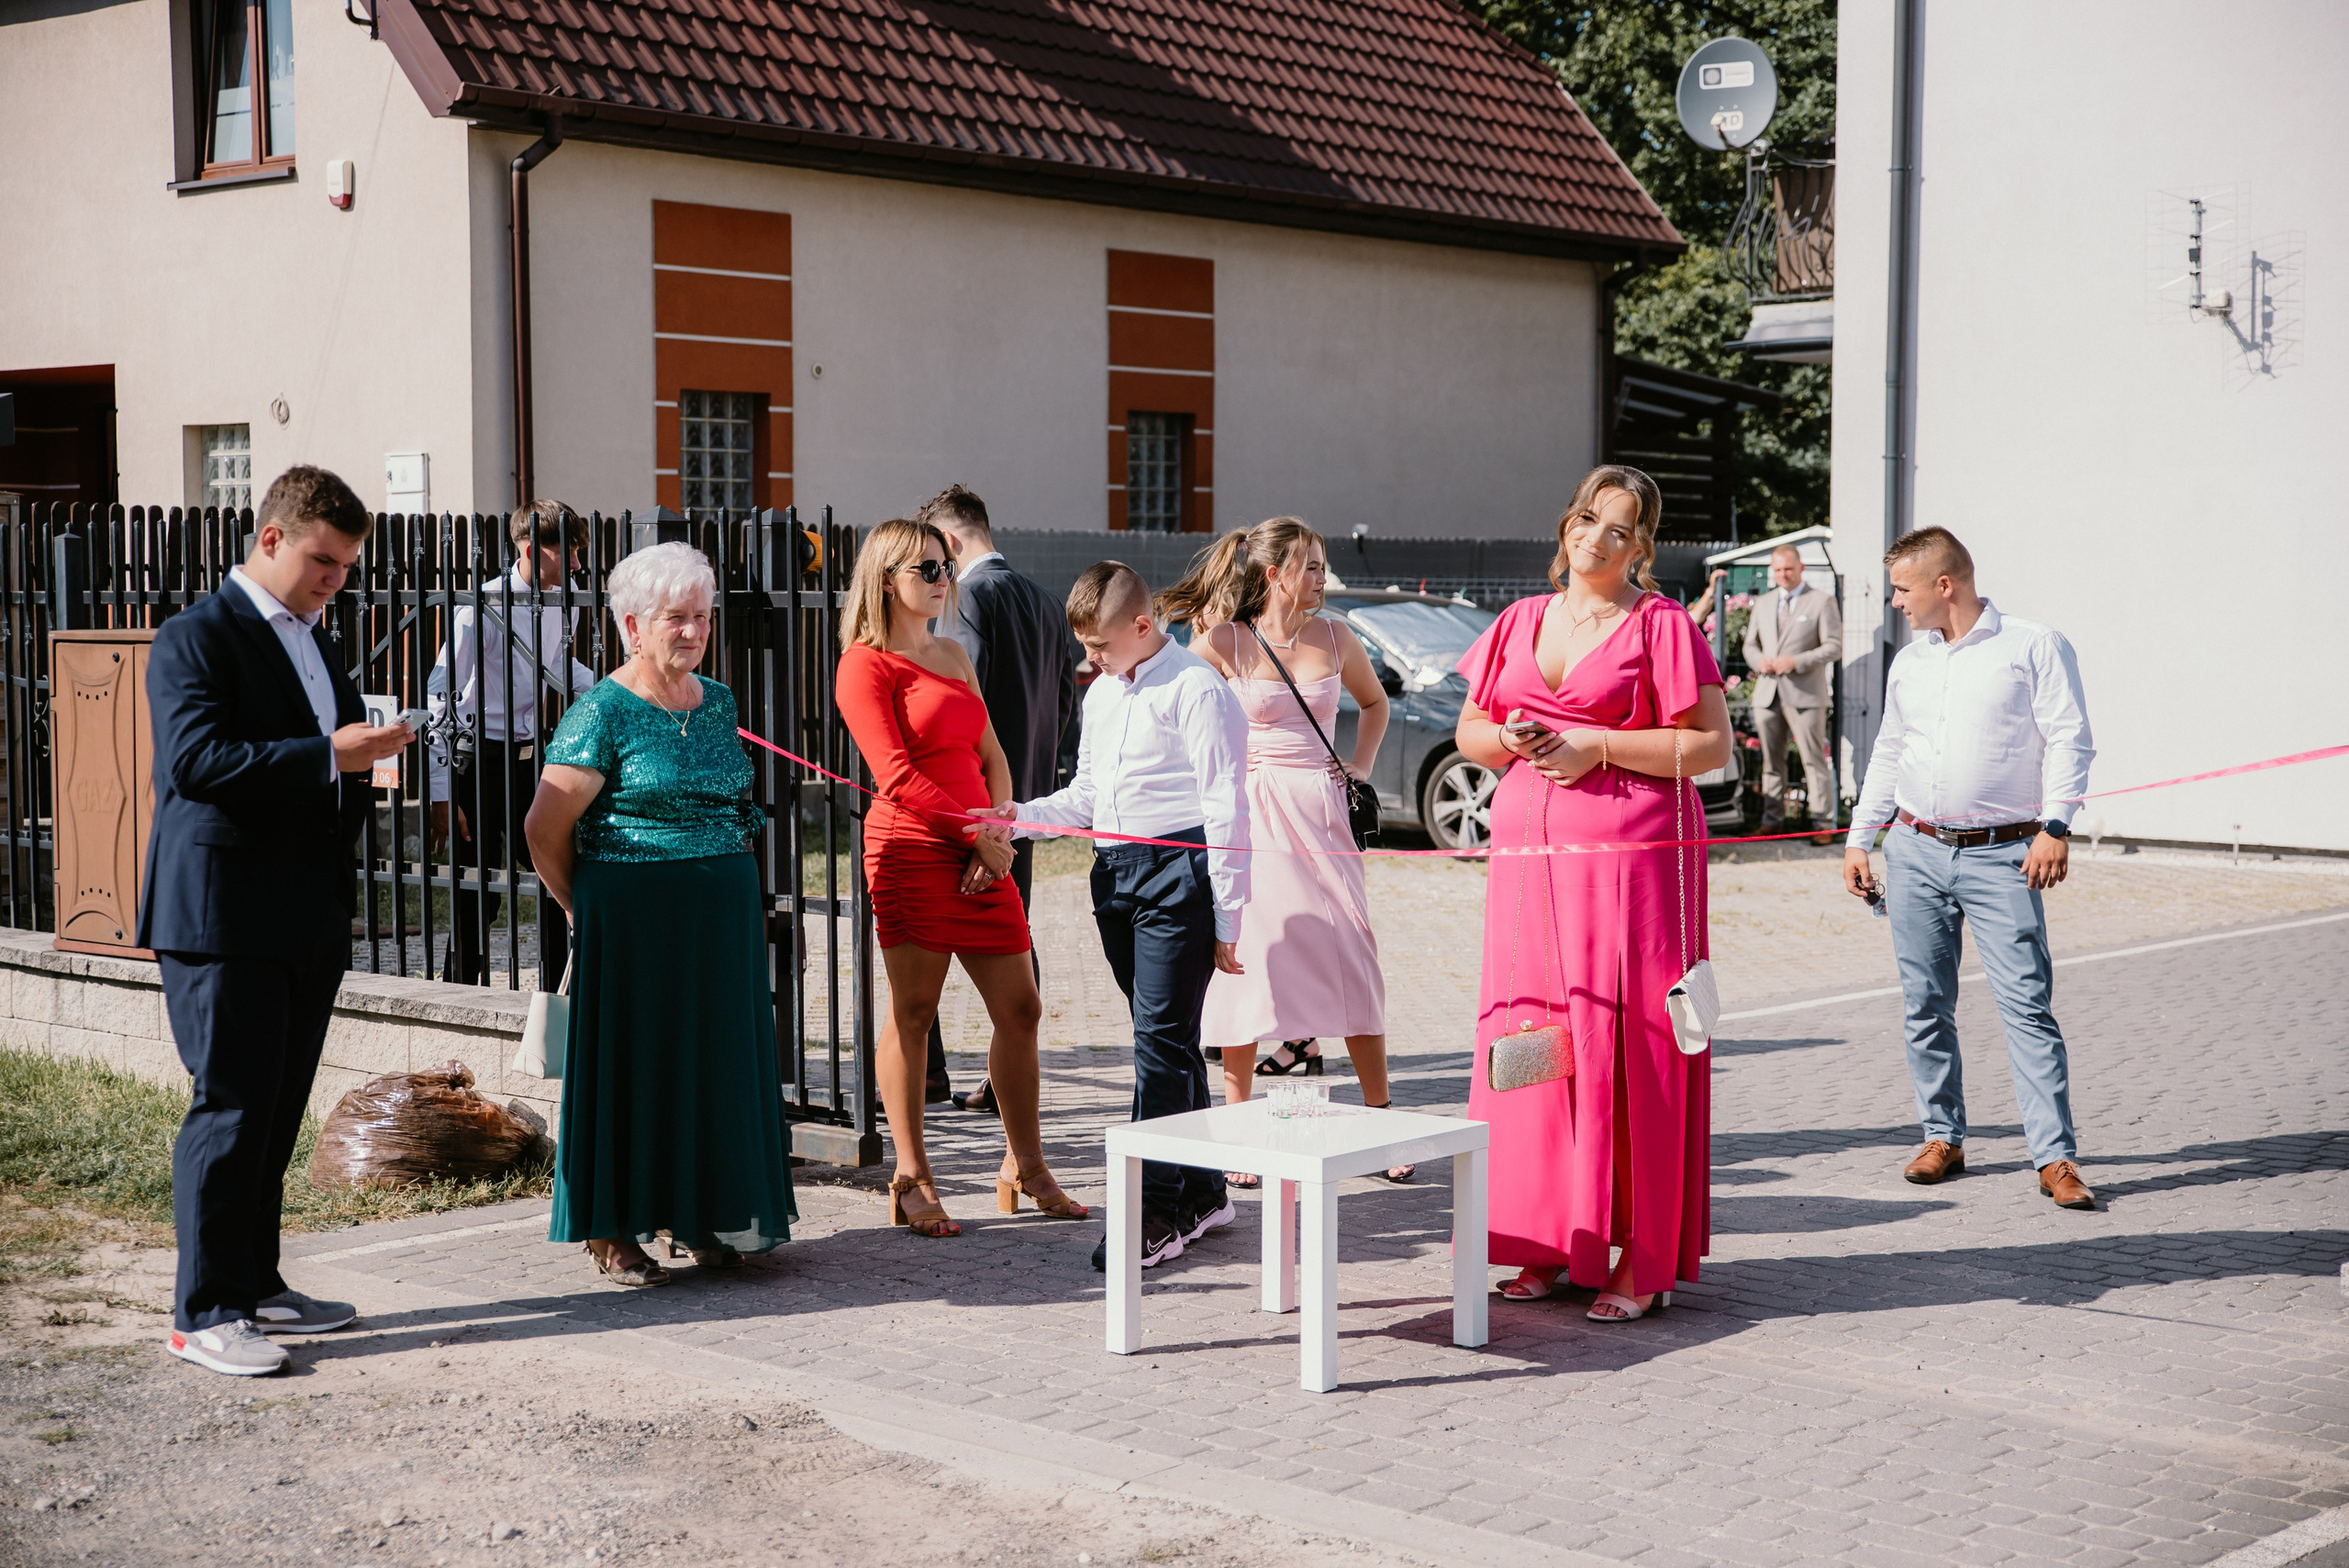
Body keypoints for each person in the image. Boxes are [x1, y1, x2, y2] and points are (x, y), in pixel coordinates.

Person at [140, 465, 413, 1375]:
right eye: (322, 561)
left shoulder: (313, 637)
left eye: (345, 566)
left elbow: (324, 767)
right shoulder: (195, 635)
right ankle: (202, 1310)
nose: (335, 579)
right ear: (269, 539)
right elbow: (194, 761)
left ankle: (254, 1282)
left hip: (302, 913)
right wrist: (328, 752)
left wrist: (369, 766)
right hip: (221, 914)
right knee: (229, 1107)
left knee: (276, 1110)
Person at [1453, 465, 1731, 1321]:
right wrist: (1507, 735)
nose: (1596, 538)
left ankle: (1637, 1258)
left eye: (1618, 527)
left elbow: (1713, 744)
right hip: (1530, 865)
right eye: (1586, 519)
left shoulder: (1663, 625)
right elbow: (1470, 731)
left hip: (1634, 868)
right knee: (1537, 1035)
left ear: (1642, 545)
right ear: (1566, 524)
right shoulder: (1520, 620)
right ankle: (1544, 1239)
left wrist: (1598, 748)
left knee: (1628, 1041)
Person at [524, 541, 797, 1287]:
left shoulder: (720, 702)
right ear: (632, 625)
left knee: (712, 1065)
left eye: (702, 617)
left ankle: (707, 1214)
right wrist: (584, 906)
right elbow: (543, 830)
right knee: (636, 1069)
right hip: (634, 922)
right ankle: (613, 1229)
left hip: (721, 924)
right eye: (676, 618)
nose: (693, 631)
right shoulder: (601, 711)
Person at [832, 519, 1085, 1239]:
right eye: (928, 570)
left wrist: (996, 830)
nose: (945, 581)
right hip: (912, 850)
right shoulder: (864, 664)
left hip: (982, 849)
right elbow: (897, 776)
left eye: (947, 567)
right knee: (913, 1012)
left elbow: (993, 752)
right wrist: (974, 832)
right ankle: (912, 1177)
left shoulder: (951, 653)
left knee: (1023, 1009)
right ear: (887, 579)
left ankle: (1026, 1165)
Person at [1842, 527, 2098, 1210]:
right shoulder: (1911, 662)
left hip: (2004, 854)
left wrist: (2056, 826)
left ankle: (2055, 1155)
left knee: (2026, 1006)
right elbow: (1890, 750)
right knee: (1925, 1003)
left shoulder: (2032, 644)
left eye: (1902, 588)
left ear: (1943, 585)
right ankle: (1942, 1135)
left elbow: (2070, 735)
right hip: (1916, 850)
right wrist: (1860, 837)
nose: (1895, 601)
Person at [1004, 562, 1250, 1272]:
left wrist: (1228, 916)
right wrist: (1017, 817)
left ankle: (1156, 1208)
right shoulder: (1105, 694)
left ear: (1144, 626)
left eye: (1100, 646)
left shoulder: (1198, 689)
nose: (1091, 661)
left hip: (1180, 874)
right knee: (1167, 1042)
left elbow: (1225, 804)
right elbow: (1085, 797)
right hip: (1115, 876)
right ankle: (1205, 1190)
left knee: (1157, 1046)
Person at [1161, 520, 1413, 1184]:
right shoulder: (1223, 641)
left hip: (1323, 815)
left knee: (1353, 954)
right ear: (1272, 573)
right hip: (1251, 815)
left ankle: (1383, 1123)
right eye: (1309, 566)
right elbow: (1180, 713)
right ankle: (1241, 1126)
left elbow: (1375, 701)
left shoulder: (1336, 635)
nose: (1320, 578)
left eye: (1323, 565)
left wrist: (1359, 765)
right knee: (1247, 957)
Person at [914, 484, 1079, 1115]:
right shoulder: (1041, 597)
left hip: (976, 800)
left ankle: (932, 1070)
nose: (934, 570)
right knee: (1014, 932)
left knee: (930, 930)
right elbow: (1066, 700)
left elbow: (960, 705)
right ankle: (1006, 1070)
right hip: (1026, 797)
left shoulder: (967, 597)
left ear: (951, 542)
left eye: (935, 554)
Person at [427, 500, 600, 986]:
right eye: (568, 553)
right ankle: (461, 994)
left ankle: (553, 995)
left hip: (530, 760)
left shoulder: (564, 600)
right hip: (475, 761)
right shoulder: (479, 605)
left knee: (553, 877)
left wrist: (616, 690)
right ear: (530, 549)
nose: (579, 565)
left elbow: (562, 668)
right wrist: (441, 791)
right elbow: (438, 696)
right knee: (474, 893)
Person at [1743, 544, 1843, 840]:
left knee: (1813, 760)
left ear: (1801, 568)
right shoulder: (1763, 602)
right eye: (1777, 570)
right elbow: (1749, 644)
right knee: (1772, 763)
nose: (1783, 575)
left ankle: (1823, 824)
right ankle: (1772, 822)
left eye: (1788, 569)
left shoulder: (1821, 601)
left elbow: (1834, 646)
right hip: (1767, 694)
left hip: (1806, 695)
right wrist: (1757, 660)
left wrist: (1795, 662)